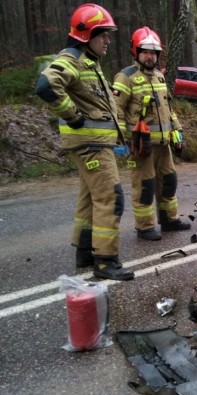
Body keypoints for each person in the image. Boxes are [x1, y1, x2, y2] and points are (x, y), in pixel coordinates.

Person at [35, 3, 134, 281]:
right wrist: (73, 116)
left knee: (90, 198)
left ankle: (84, 251)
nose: (107, 40)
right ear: (86, 34)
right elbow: (45, 85)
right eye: (102, 34)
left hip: (94, 144)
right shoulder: (72, 58)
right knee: (110, 198)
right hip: (90, 145)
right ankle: (105, 261)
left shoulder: (88, 61)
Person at [112, 27, 191, 241]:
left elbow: (168, 110)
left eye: (154, 52)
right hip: (141, 145)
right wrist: (122, 141)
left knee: (169, 181)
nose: (150, 56)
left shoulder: (159, 77)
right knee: (145, 186)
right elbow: (116, 110)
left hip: (163, 145)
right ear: (136, 51)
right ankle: (145, 227)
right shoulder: (126, 77)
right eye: (146, 51)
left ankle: (169, 220)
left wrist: (178, 131)